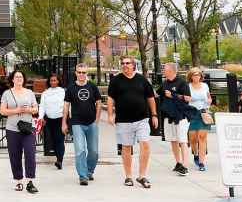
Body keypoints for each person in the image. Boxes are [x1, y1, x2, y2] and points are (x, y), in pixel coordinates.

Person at [107, 55, 157, 189]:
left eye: (127, 63)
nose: (125, 65)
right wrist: (110, 115)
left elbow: (151, 98)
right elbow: (111, 99)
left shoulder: (142, 79)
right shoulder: (116, 81)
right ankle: (128, 176)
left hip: (142, 119)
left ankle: (142, 175)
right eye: (122, 63)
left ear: (133, 65)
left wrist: (154, 115)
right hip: (123, 120)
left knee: (145, 144)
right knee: (126, 147)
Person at [0, 70, 39, 193]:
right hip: (12, 129)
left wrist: (28, 110)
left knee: (30, 154)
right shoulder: (7, 93)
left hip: (28, 128)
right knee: (15, 155)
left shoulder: (29, 92)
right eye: (16, 77)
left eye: (21, 77)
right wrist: (16, 110)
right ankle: (18, 181)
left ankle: (30, 181)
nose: (19, 78)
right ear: (12, 79)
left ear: (23, 79)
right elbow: (3, 111)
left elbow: (36, 108)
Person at [62, 64, 101, 186]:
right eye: (79, 72)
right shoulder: (70, 88)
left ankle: (89, 171)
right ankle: (83, 176)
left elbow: (99, 103)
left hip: (91, 123)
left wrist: (97, 119)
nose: (81, 74)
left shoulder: (92, 87)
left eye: (84, 72)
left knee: (94, 151)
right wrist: (64, 122)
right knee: (80, 150)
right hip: (77, 123)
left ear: (87, 74)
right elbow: (66, 106)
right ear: (76, 73)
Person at [160, 63, 192, 176]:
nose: (163, 71)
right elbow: (158, 94)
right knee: (173, 140)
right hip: (168, 116)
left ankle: (185, 166)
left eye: (165, 69)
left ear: (172, 71)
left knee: (182, 140)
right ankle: (178, 162)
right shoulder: (164, 83)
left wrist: (174, 95)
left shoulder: (182, 82)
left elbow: (188, 98)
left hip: (181, 116)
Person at [187, 67, 212, 172]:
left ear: (200, 76)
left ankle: (201, 162)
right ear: (191, 76)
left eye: (198, 75)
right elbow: (184, 99)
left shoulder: (205, 86)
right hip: (191, 113)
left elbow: (209, 97)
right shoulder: (187, 87)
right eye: (194, 75)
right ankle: (195, 153)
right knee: (192, 138)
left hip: (203, 113)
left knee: (202, 138)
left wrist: (209, 101)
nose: (196, 76)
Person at [40, 72, 66, 169]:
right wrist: (41, 117)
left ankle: (59, 160)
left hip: (60, 119)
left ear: (58, 81)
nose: (53, 82)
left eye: (55, 80)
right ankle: (57, 156)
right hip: (49, 120)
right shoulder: (45, 93)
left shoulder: (63, 92)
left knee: (60, 140)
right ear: (49, 82)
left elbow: (67, 105)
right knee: (53, 140)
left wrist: (67, 119)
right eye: (51, 80)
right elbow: (42, 106)